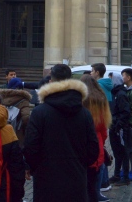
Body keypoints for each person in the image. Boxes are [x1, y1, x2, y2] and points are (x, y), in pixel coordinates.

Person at [23, 64, 99, 202]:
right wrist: (79, 164)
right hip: (76, 178)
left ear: (51, 81)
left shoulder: (40, 112)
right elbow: (93, 148)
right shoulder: (85, 113)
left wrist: (33, 166)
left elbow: (31, 146)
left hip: (46, 178)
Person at [82, 75, 112, 202]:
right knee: (93, 185)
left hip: (81, 144)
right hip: (97, 144)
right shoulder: (101, 99)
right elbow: (104, 129)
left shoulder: (81, 99)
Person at [108, 73, 131, 186]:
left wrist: (118, 125)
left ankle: (125, 177)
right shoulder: (116, 93)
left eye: (111, 79)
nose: (110, 81)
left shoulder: (120, 94)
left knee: (123, 153)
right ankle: (117, 175)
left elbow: (125, 112)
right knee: (117, 153)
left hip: (120, 129)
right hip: (115, 127)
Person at [0, 77, 33, 147]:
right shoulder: (23, 100)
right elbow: (26, 117)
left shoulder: (0, 98)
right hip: (17, 133)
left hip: (1, 132)